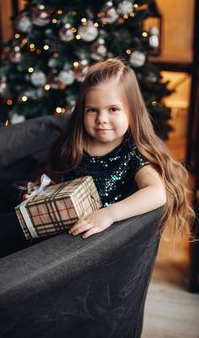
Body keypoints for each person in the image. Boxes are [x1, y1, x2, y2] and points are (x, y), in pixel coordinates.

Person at [23, 58, 194, 240]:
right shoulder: (74, 143)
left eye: (113, 109)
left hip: (101, 243)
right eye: (92, 110)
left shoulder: (132, 153)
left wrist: (109, 214)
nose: (101, 119)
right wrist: (41, 196)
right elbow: (60, 182)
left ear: (131, 112)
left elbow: (157, 194)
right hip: (63, 236)